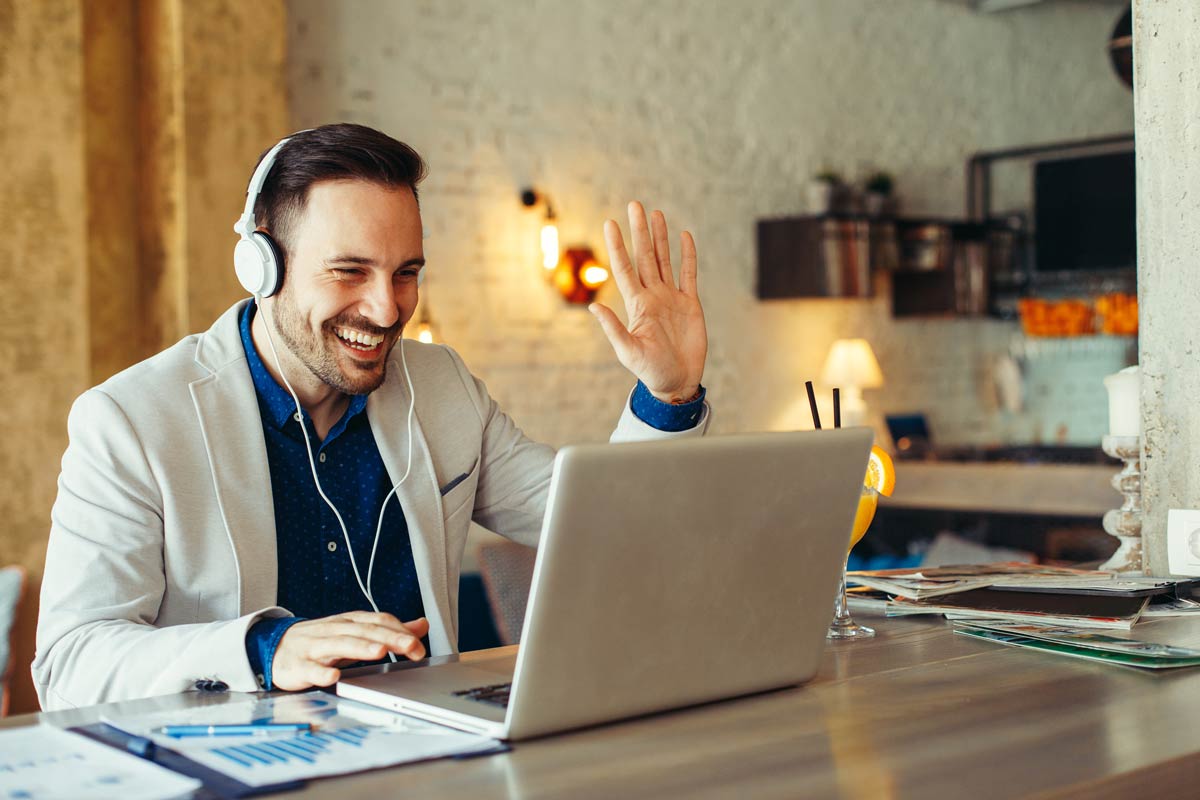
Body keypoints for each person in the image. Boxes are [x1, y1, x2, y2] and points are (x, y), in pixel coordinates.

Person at [33, 123, 710, 710]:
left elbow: (603, 524)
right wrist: (265, 648)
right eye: (350, 272)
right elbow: (71, 663)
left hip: (429, 764)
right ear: (262, 265)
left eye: (406, 272)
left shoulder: (443, 387)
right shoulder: (128, 421)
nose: (387, 310)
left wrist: (668, 393)